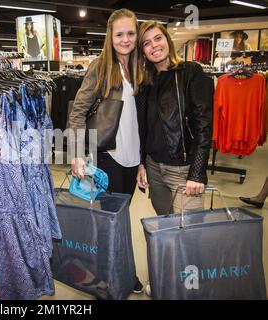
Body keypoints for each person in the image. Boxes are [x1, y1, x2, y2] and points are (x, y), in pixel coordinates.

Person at [69, 8, 144, 294]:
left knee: (121, 221)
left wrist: (143, 161)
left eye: (130, 33)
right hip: (108, 157)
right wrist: (77, 153)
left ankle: (125, 274)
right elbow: (78, 111)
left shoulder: (139, 67)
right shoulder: (101, 67)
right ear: (110, 37)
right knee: (106, 226)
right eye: (120, 34)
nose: (126, 39)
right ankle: (106, 281)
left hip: (132, 158)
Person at [136, 21, 214, 216]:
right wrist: (142, 163)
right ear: (142, 52)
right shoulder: (145, 83)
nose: (154, 46)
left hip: (182, 169)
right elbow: (144, 127)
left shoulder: (190, 72)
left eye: (157, 38)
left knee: (187, 235)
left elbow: (203, 125)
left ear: (167, 40)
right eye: (146, 43)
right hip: (154, 168)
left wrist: (197, 172)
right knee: (164, 228)